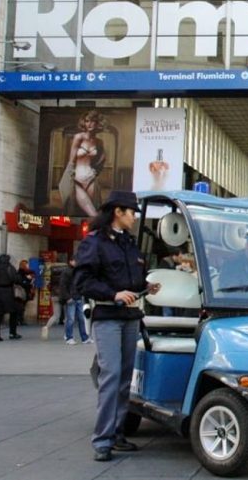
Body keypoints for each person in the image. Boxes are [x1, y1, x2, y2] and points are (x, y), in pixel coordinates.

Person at [74, 190, 160, 461]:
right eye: (131, 212)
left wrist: (146, 287)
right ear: (118, 212)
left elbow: (133, 280)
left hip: (130, 318)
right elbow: (82, 282)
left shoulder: (129, 244)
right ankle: (102, 440)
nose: (134, 216)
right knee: (111, 376)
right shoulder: (95, 243)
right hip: (108, 316)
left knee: (124, 379)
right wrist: (113, 295)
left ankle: (117, 433)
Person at [65, 110, 107, 217]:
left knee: (92, 211)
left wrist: (96, 171)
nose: (89, 124)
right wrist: (68, 178)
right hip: (77, 179)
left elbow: (103, 158)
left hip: (91, 179)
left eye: (93, 121)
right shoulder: (78, 137)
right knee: (92, 213)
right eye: (87, 121)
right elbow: (71, 161)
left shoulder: (99, 142)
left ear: (97, 123)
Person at [59, 257, 91, 345]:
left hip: (78, 297)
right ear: (70, 261)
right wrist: (67, 297)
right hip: (71, 298)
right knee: (71, 319)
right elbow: (63, 285)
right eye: (75, 261)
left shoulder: (78, 272)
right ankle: (69, 337)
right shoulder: (66, 272)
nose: (76, 262)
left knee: (81, 319)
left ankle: (85, 338)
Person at [0, 254, 22, 341]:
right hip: (7, 292)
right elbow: (15, 279)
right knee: (13, 312)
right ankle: (12, 333)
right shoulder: (9, 267)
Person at [16, 259, 35, 326]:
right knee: (21, 306)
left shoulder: (26, 272)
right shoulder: (21, 273)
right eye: (26, 264)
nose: (28, 266)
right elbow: (21, 282)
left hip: (25, 291)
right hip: (22, 291)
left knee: (22, 306)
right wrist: (28, 280)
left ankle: (20, 319)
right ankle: (19, 320)